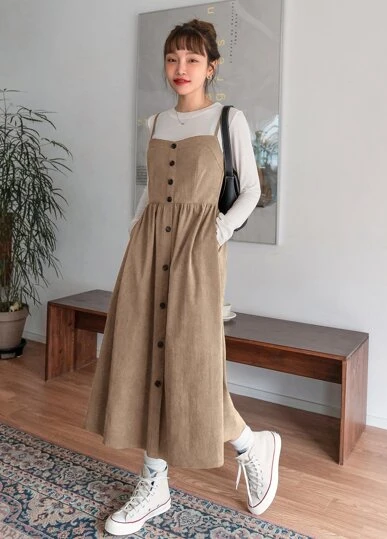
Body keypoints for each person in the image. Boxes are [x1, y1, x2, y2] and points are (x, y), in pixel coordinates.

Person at [85, 18, 281, 536]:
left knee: (193, 362)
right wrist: (134, 238)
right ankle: (154, 481)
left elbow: (252, 190)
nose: (181, 68)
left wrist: (220, 230)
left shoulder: (228, 119)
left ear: (211, 67)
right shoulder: (155, 123)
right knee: (145, 354)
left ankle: (251, 445)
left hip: (197, 253)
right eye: (173, 58)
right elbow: (150, 193)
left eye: (193, 59)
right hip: (148, 251)